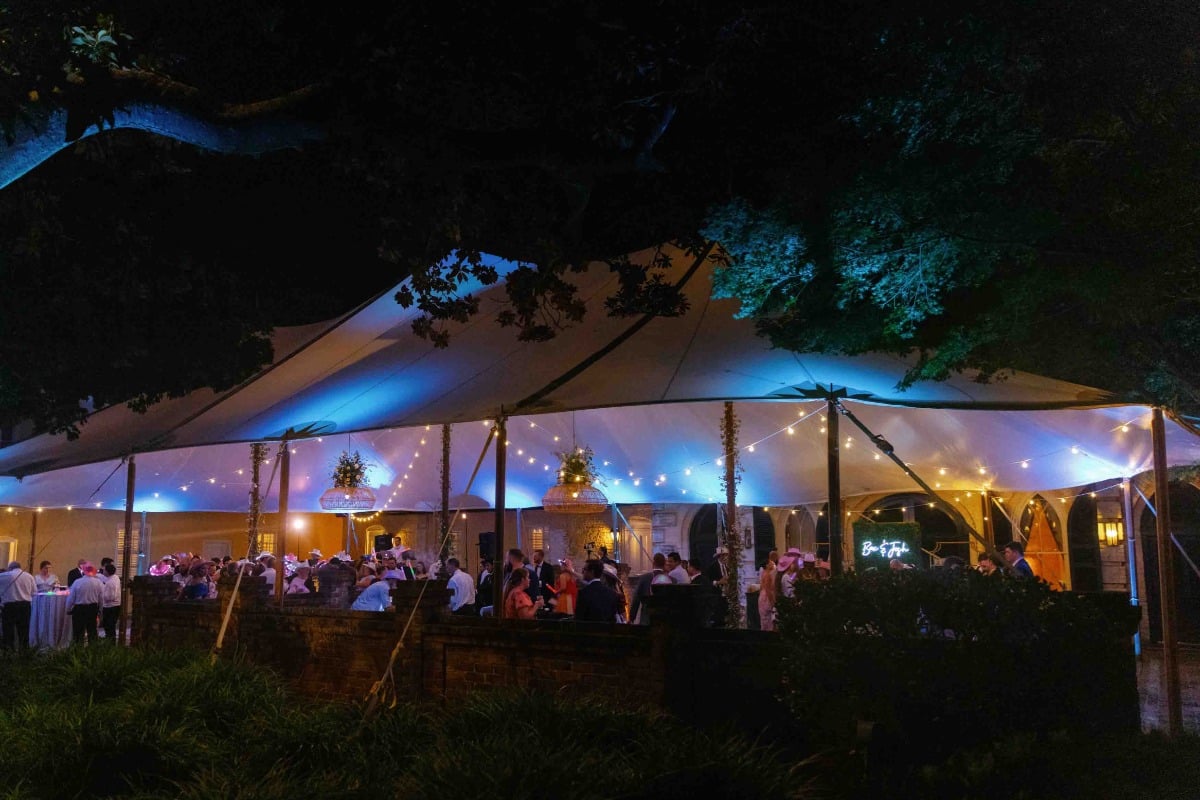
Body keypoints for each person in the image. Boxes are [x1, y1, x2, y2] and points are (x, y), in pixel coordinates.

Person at [0, 560, 36, 650]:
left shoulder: (4, 576)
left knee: (8, 631)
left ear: (10, 568)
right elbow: (34, 592)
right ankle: (24, 652)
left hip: (9, 606)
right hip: (25, 606)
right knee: (24, 630)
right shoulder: (29, 576)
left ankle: (9, 652)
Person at [65, 562, 104, 645]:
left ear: (84, 571)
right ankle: (93, 650)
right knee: (92, 631)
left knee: (78, 632)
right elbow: (101, 598)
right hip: (92, 609)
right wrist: (100, 610)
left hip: (79, 609)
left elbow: (71, 598)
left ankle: (78, 651)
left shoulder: (77, 582)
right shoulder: (98, 583)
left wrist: (68, 609)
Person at [629, 552, 672, 626]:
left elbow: (636, 598)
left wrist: (632, 617)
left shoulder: (644, 578)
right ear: (664, 564)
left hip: (647, 616)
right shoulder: (672, 579)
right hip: (665, 617)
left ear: (653, 563)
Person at [757, 550, 778, 632]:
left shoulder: (763, 573)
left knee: (764, 621)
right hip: (766, 597)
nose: (772, 564)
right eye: (771, 563)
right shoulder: (768, 574)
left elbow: (761, 588)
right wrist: (773, 601)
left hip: (761, 597)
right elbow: (768, 589)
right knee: (769, 622)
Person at [100, 562, 121, 641]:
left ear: (107, 572)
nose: (103, 571)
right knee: (111, 625)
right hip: (116, 605)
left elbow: (110, 597)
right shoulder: (115, 577)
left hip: (110, 606)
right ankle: (110, 641)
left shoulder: (110, 583)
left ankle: (110, 642)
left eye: (104, 570)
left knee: (108, 626)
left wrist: (101, 595)